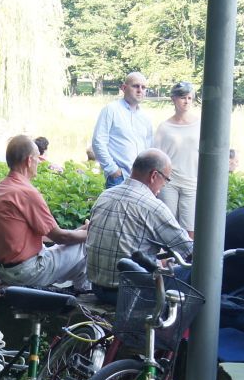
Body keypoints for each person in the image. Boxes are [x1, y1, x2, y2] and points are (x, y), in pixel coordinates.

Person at [85, 148, 193, 299]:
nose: (163, 187)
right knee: (195, 271)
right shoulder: (153, 207)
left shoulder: (105, 195)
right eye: (166, 180)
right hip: (132, 294)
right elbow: (189, 251)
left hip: (97, 288)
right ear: (154, 175)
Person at [0, 134, 88, 288]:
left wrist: (81, 231)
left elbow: (42, 235)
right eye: (38, 158)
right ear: (29, 160)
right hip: (25, 272)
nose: (39, 162)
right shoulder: (26, 192)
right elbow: (60, 237)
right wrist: (93, 233)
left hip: (1, 269)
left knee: (75, 252)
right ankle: (84, 299)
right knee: (85, 247)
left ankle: (78, 293)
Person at [91, 72, 154, 188]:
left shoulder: (145, 118)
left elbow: (149, 148)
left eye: (143, 87)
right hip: (119, 178)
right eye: (135, 86)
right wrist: (112, 170)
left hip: (141, 180)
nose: (140, 90)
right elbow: (98, 141)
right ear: (124, 88)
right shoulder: (111, 110)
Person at [154, 81, 200, 231]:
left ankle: (188, 255)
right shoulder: (164, 127)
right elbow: (157, 157)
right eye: (182, 98)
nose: (186, 101)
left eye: (189, 98)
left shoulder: (200, 125)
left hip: (192, 181)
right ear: (173, 99)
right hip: (169, 181)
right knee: (168, 225)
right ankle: (168, 255)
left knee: (190, 227)